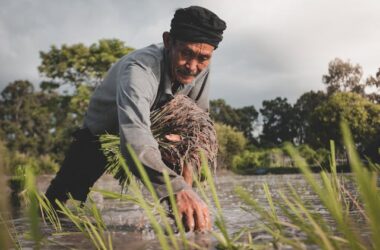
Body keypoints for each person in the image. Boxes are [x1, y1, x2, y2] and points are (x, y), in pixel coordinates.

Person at [45, 6, 226, 232]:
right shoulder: (140, 69)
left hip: (158, 131)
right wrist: (175, 188)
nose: (192, 66)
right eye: (186, 54)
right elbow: (135, 137)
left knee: (184, 156)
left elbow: (197, 130)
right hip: (103, 132)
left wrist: (186, 190)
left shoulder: (201, 69)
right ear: (168, 41)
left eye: (203, 58)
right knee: (61, 201)